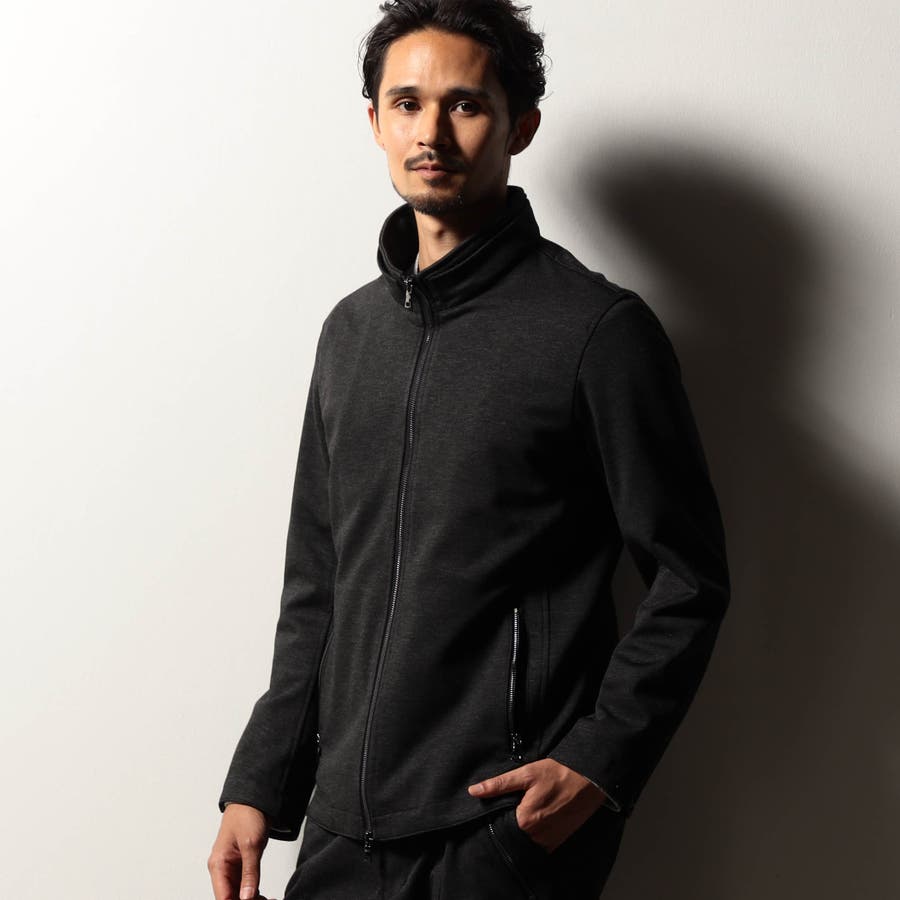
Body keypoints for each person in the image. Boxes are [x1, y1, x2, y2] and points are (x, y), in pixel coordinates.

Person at [208, 2, 730, 898]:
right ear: (374, 121)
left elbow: (689, 578)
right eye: (407, 103)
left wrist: (599, 759)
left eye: (465, 104)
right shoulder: (351, 334)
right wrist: (260, 782)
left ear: (520, 126)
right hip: (342, 829)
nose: (431, 132)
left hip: (496, 835)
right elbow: (319, 583)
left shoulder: (596, 332)